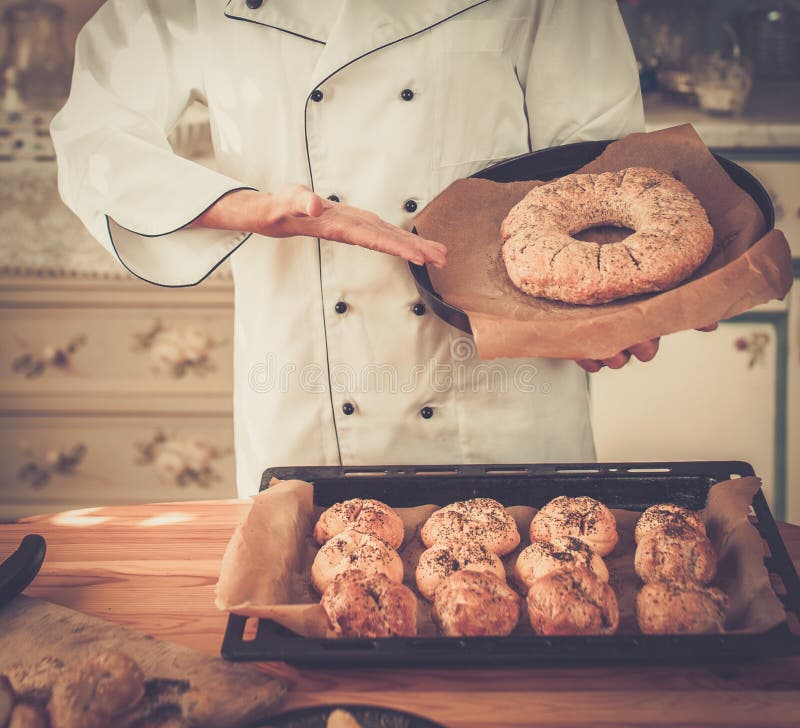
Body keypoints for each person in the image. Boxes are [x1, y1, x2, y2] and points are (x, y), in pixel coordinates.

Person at [51, 1, 689, 497]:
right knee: (305, 618)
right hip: (308, 388)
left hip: (505, 388)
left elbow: (598, 167)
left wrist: (615, 306)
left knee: (535, 621)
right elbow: (94, 133)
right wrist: (251, 208)